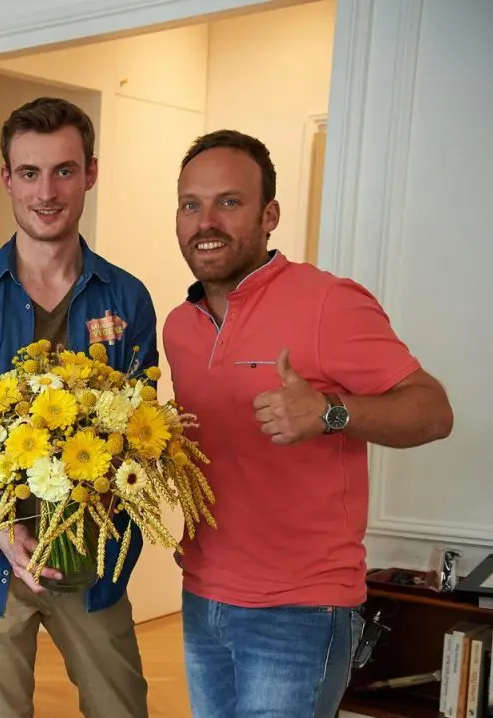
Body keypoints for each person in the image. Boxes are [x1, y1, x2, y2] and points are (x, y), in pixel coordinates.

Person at [163, 129, 454, 717]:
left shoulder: (328, 303)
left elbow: (433, 411)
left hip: (299, 610)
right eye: (191, 205)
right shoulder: (179, 326)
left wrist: (330, 412)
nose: (206, 222)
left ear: (270, 215)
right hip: (202, 594)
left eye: (229, 202)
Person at [0, 97, 158, 717]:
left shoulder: (128, 299)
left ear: (90, 173)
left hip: (93, 561)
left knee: (122, 708)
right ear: (7, 178)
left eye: (64, 171)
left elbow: (144, 428)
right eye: (29, 172)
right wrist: (2, 530)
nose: (46, 192)